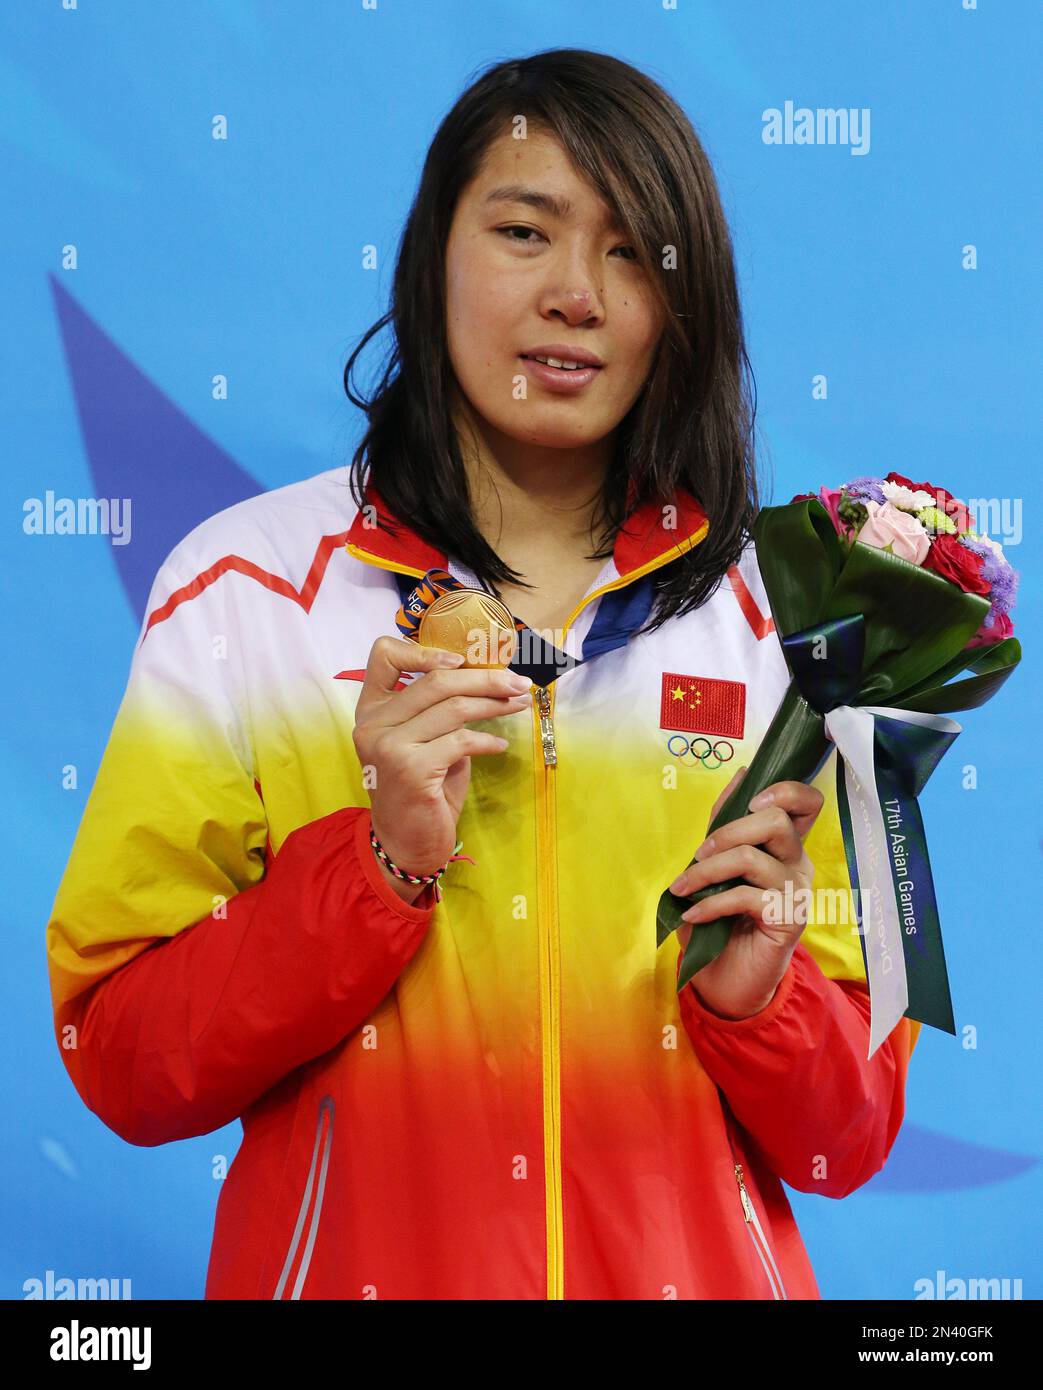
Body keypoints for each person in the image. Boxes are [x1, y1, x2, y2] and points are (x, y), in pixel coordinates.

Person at [45, 48, 919, 1301]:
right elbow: (121, 1058)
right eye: (524, 230)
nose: (575, 293)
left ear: (687, 302)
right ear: (430, 260)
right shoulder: (239, 592)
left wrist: (759, 1002)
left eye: (632, 253)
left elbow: (853, 1136)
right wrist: (374, 869)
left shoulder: (806, 622)